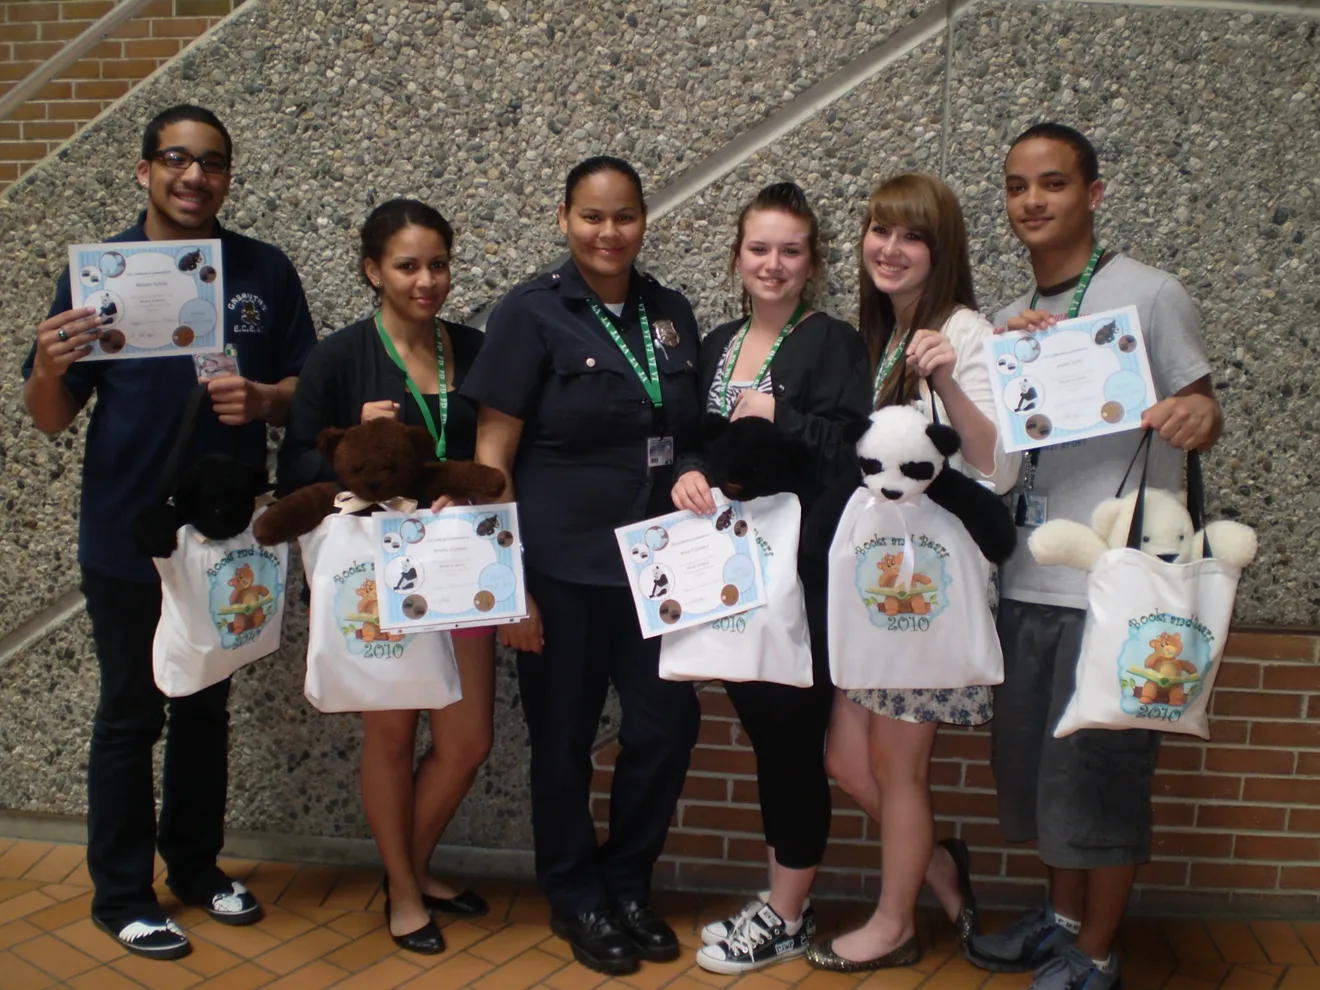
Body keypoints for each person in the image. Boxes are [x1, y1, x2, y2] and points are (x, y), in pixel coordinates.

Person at [20, 104, 316, 960]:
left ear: (229, 176)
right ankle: (120, 893)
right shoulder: (98, 275)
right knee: (129, 713)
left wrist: (264, 401)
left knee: (205, 707)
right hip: (126, 531)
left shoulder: (262, 269)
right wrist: (47, 364)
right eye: (177, 160)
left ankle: (193, 867)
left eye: (213, 163)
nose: (195, 177)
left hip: (223, 537)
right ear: (144, 170)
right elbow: (48, 417)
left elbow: (307, 385)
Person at [966, 123, 1221, 990]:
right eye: (1015, 187)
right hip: (1028, 577)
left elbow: (1202, 411)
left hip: (1113, 587)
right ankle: (1063, 919)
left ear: (1094, 193)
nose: (1032, 201)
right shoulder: (1011, 320)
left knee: (1101, 778)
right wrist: (1021, 361)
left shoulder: (1149, 296)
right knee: (1042, 778)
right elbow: (996, 460)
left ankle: (1099, 953)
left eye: (1053, 184)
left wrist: (1193, 418)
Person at [461, 157, 702, 977]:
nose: (610, 233)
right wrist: (509, 582)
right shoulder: (529, 314)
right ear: (565, 218)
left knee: (665, 732)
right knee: (561, 741)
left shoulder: (670, 313)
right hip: (561, 573)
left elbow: (687, 433)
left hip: (657, 570)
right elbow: (493, 452)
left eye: (625, 216)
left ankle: (629, 881)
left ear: (643, 219)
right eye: (593, 217)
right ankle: (575, 895)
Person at [805, 172, 1020, 973]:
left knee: (897, 766)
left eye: (911, 236)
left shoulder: (961, 331)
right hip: (877, 590)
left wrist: (949, 380)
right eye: (879, 231)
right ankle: (933, 865)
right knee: (846, 762)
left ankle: (895, 923)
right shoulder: (882, 334)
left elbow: (998, 468)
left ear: (941, 250)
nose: (889, 249)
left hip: (922, 594)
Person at [276, 198, 495, 954]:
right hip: (378, 578)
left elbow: (489, 455)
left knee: (466, 739)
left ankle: (415, 862)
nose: (426, 280)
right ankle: (404, 889)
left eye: (438, 263)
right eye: (407, 265)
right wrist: (350, 449)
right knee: (393, 737)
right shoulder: (338, 359)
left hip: (460, 565)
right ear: (373, 271)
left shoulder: (473, 348)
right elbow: (294, 467)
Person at [668, 182, 871, 975]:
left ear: (812, 261)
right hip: (728, 574)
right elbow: (694, 434)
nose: (773, 264)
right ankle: (785, 896)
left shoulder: (833, 342)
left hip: (801, 577)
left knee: (791, 743)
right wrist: (687, 470)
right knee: (766, 737)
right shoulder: (719, 340)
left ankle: (787, 913)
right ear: (737, 256)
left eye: (790, 250)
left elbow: (855, 450)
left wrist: (778, 418)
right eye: (760, 248)